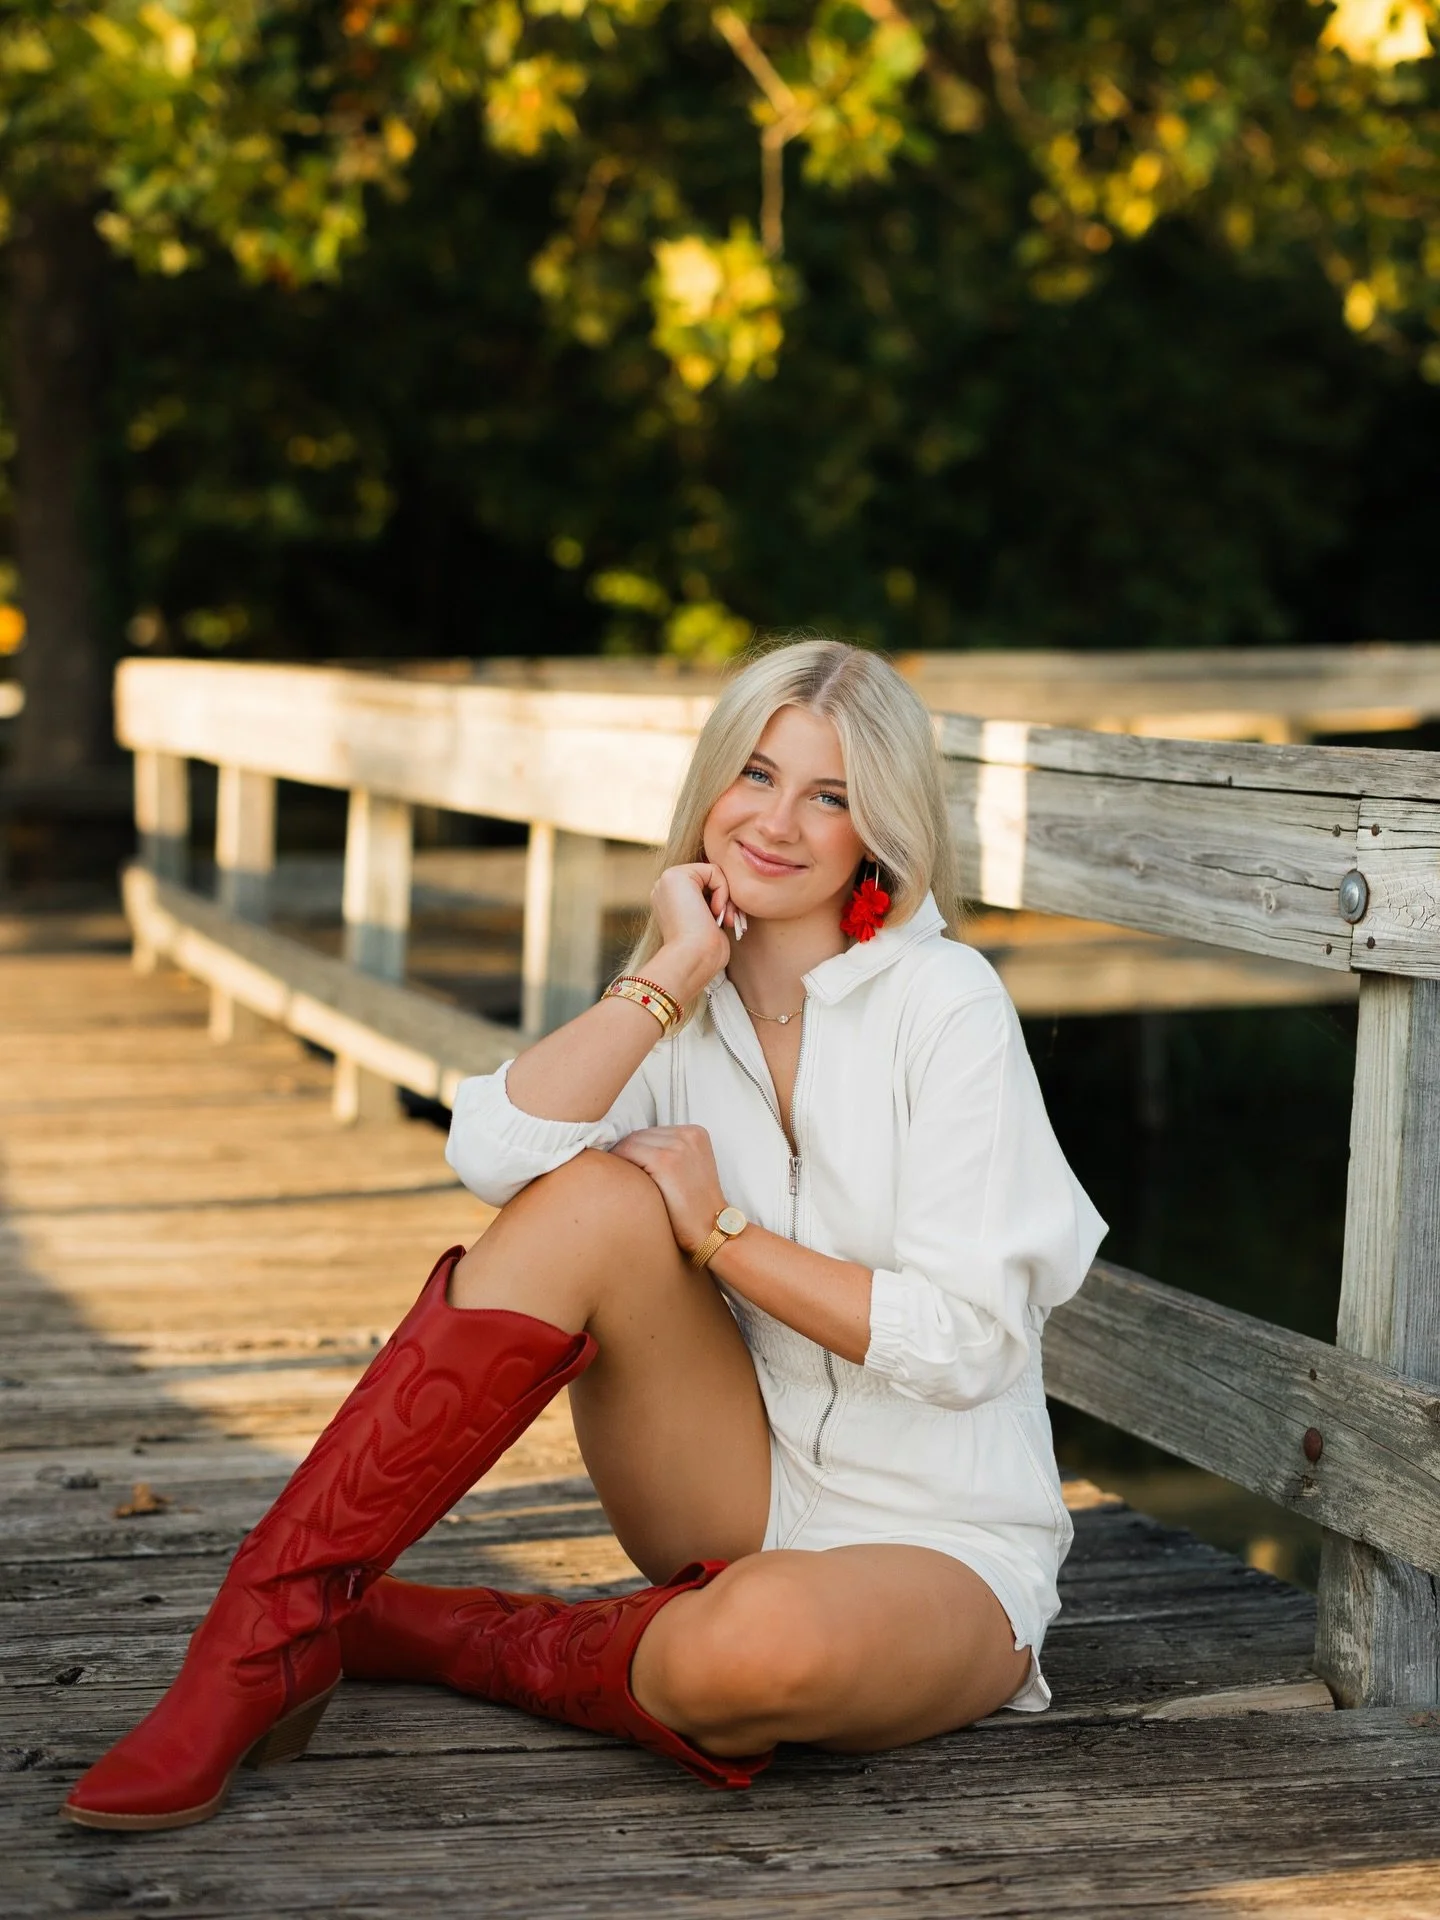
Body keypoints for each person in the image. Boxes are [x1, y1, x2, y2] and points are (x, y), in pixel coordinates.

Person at [63, 637, 1106, 1831]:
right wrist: (668, 972)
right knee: (597, 1199)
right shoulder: (688, 998)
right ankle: (262, 1640)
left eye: (831, 796)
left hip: (945, 1543)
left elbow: (971, 1340)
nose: (777, 821)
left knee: (744, 1659)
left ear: (880, 831)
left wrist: (721, 1234)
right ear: (713, 784)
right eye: (756, 776)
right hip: (736, 1484)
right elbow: (494, 1159)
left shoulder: (947, 1005)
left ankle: (462, 1634)